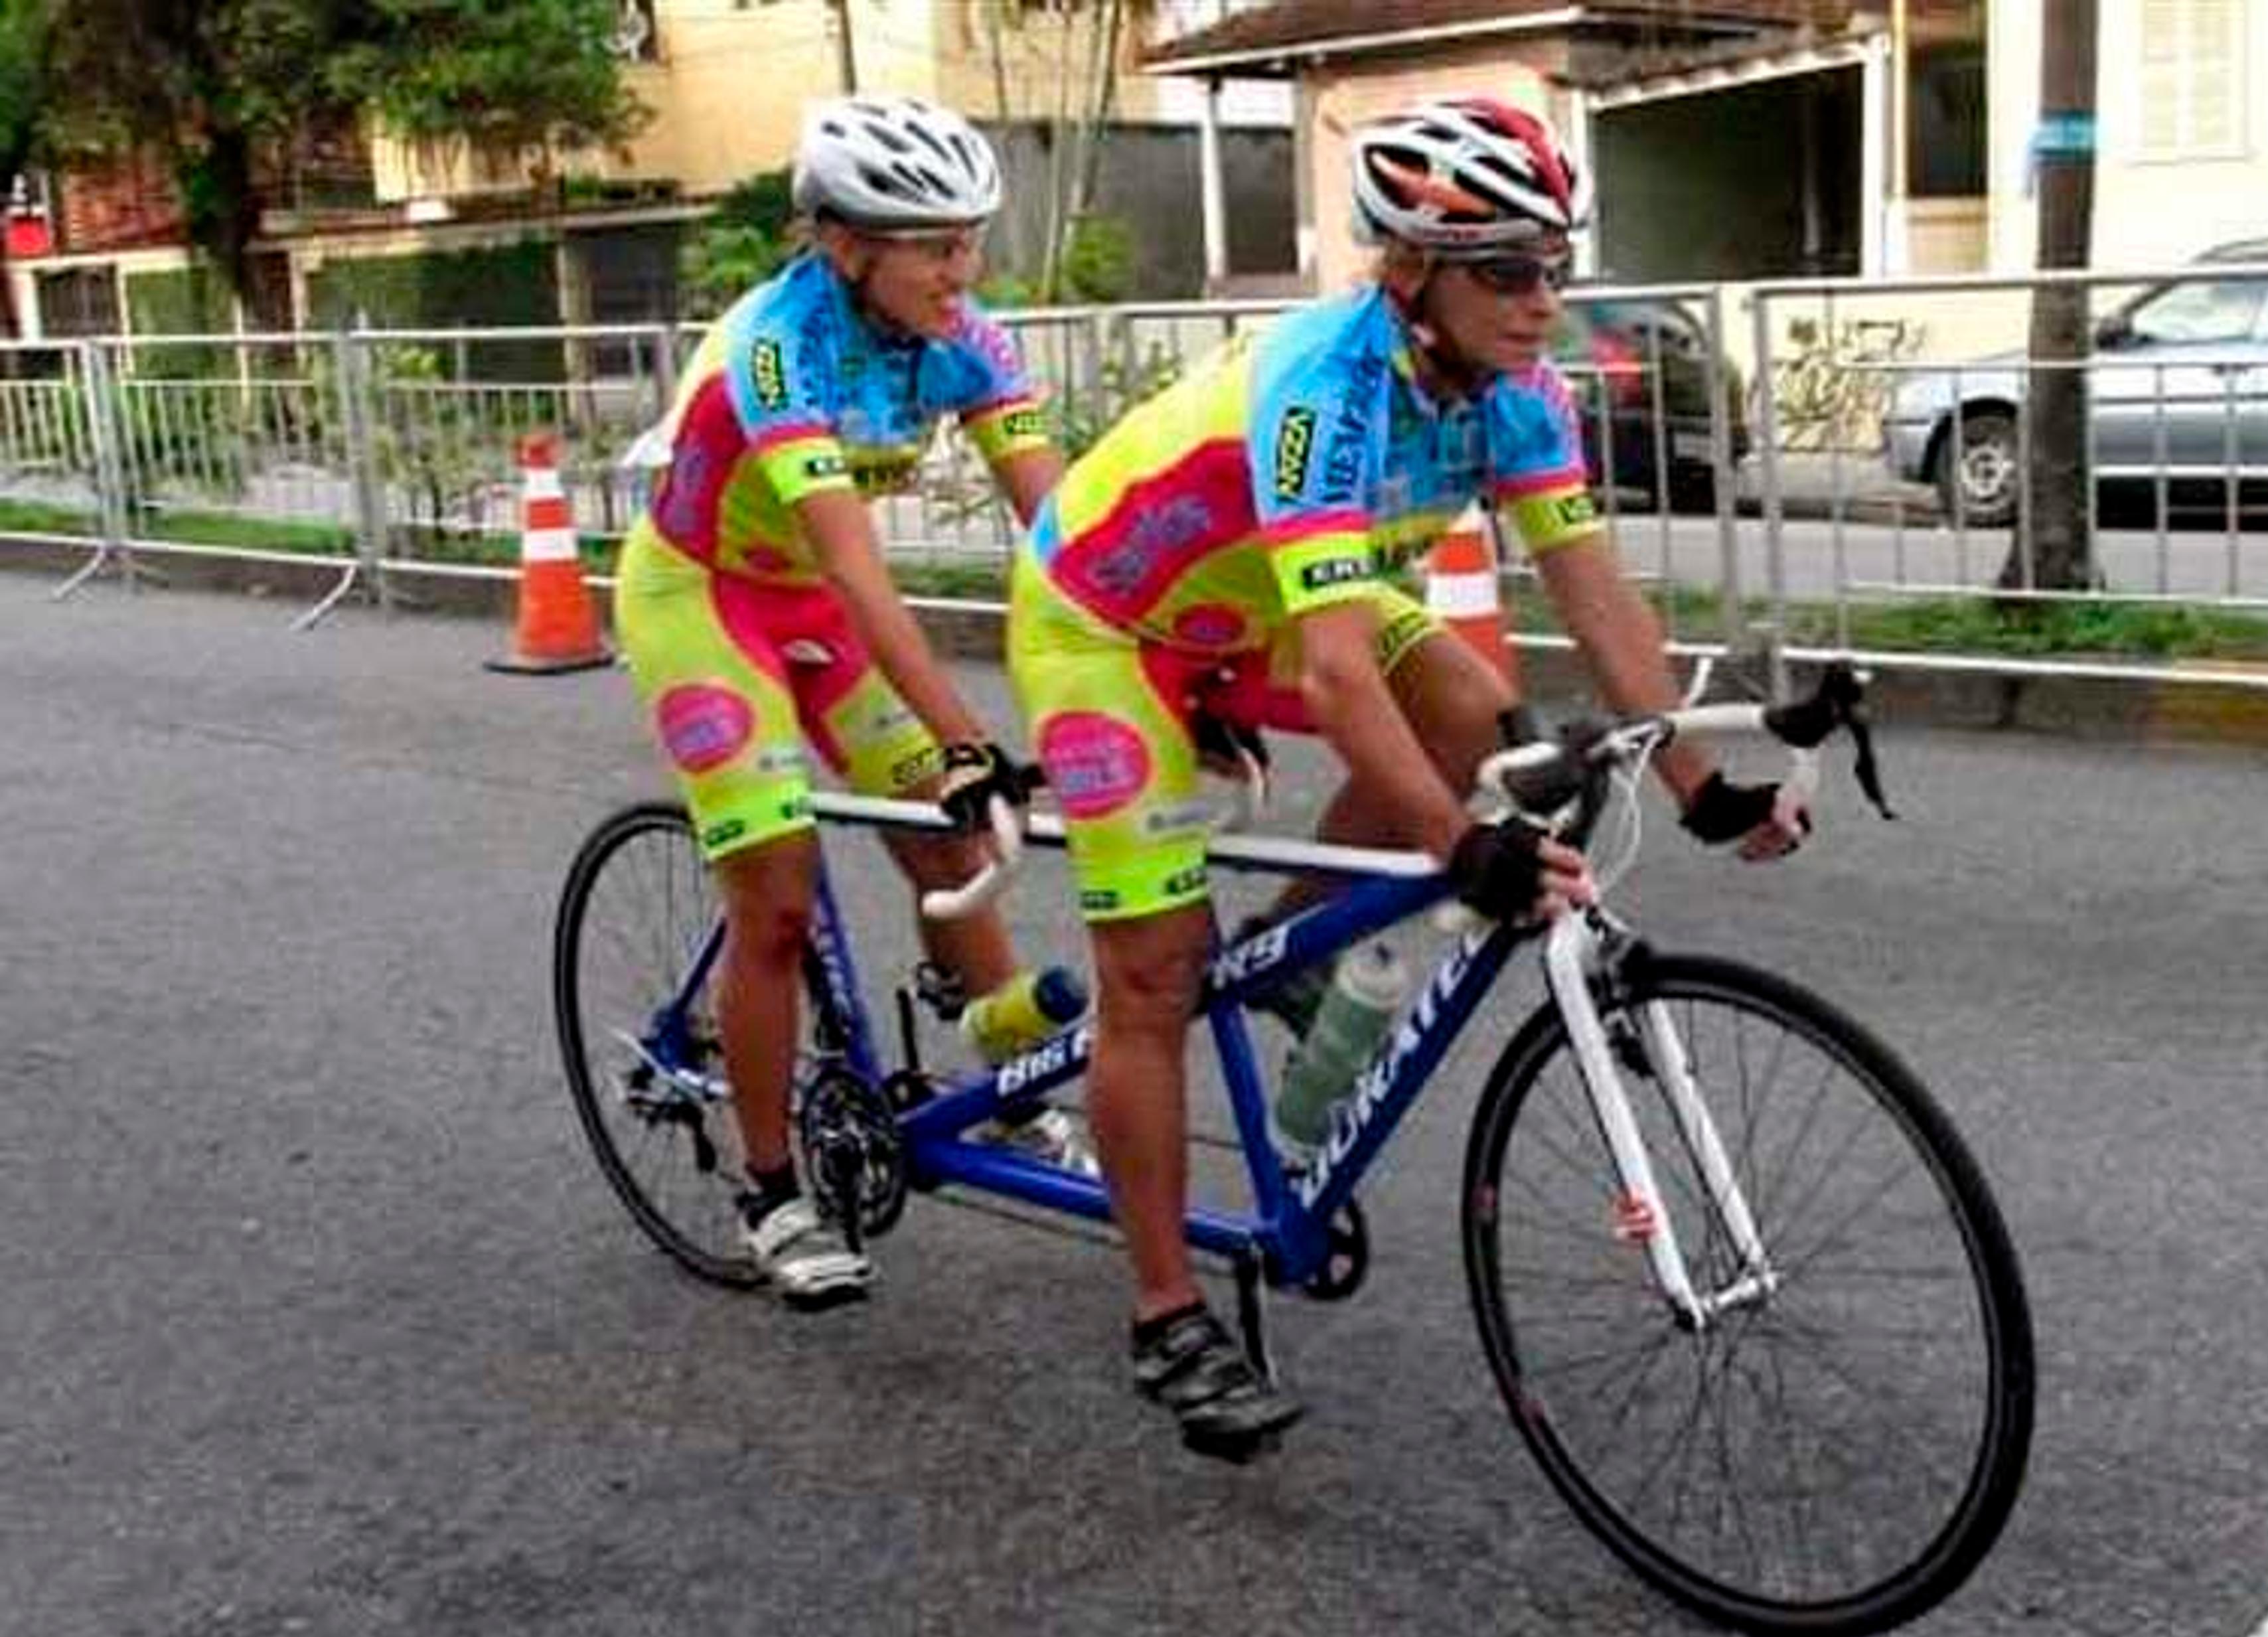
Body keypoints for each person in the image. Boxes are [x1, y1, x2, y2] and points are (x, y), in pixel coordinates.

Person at [1004, 96, 1807, 1456]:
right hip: (1112, 630)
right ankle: (1164, 1311)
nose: (1541, 299)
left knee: (1505, 740)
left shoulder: (1521, 392)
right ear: (1406, 274)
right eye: (1504, 269)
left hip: (1262, 602)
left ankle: (1289, 945)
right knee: (1150, 974)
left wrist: (1702, 787)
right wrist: (1454, 844)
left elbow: (1600, 605)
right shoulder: (1326, 384)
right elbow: (1332, 673)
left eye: (1554, 264)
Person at [614, 95, 1075, 1311]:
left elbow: (1065, 532)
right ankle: (771, 1193)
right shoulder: (778, 345)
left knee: (954, 832)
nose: (959, 270)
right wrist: (969, 735)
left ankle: (1004, 1084)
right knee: (775, 892)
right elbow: (865, 566)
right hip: (703, 599)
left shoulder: (969, 336)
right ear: (841, 244)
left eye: (969, 239)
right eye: (933, 245)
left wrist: (1157, 666)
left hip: (809, 606)